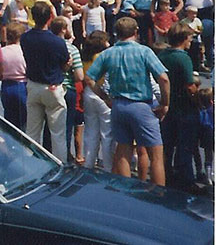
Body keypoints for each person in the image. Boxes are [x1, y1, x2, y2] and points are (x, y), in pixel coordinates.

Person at [86, 17, 171, 186]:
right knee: (155, 154)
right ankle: (159, 194)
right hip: (141, 105)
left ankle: (126, 192)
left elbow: (89, 78)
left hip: (118, 105)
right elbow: (163, 78)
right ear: (136, 32)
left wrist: (105, 96)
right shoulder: (144, 51)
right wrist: (165, 103)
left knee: (123, 152)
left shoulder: (108, 53)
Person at [20, 1, 70, 161]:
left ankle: (30, 164)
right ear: (49, 17)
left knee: (32, 132)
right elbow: (64, 65)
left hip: (33, 85)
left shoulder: (25, 38)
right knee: (58, 134)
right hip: (52, 86)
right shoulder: (57, 41)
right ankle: (60, 164)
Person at [158, 22, 198, 190]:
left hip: (167, 105)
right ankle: (186, 180)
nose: (190, 41)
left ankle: (167, 175)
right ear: (183, 39)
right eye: (189, 38)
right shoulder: (183, 58)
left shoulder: (162, 55)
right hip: (184, 107)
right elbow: (190, 85)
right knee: (185, 145)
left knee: (167, 145)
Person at [52, 16, 84, 163]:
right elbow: (79, 76)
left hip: (48, 88)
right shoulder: (71, 49)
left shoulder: (47, 45)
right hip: (67, 88)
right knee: (65, 127)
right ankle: (63, 158)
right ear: (64, 29)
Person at [81, 31, 113, 171]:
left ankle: (88, 163)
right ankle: (108, 166)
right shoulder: (103, 56)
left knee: (91, 131)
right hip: (102, 92)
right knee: (107, 134)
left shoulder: (86, 56)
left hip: (88, 92)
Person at [0, 22, 28, 129]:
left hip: (6, 85)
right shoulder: (23, 51)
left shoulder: (2, 51)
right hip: (21, 85)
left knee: (9, 120)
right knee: (22, 120)